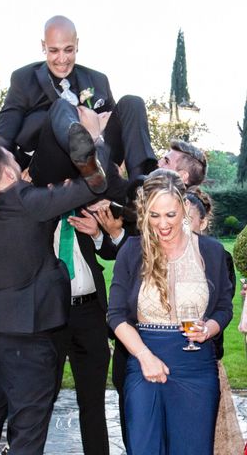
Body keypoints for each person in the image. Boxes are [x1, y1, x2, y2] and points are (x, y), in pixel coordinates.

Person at [0, 136, 111, 455]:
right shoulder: (28, 200)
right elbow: (94, 183)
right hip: (27, 337)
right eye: (15, 164)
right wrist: (98, 141)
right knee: (28, 432)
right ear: (11, 175)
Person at [107, 169, 233, 454]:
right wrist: (144, 357)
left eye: (170, 215)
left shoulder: (211, 252)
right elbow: (115, 315)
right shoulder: (131, 251)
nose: (162, 224)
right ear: (144, 213)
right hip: (144, 363)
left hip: (197, 368)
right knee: (144, 448)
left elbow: (224, 307)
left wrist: (209, 329)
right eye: (154, 215)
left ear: (184, 207)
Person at [0, 15, 156, 184]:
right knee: (62, 107)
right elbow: (4, 135)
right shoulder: (23, 79)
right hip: (46, 162)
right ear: (44, 46)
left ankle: (144, 183)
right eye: (54, 50)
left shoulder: (98, 80)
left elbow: (117, 125)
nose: (62, 59)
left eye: (68, 49)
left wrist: (100, 136)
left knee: (133, 102)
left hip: (98, 158)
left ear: (77, 45)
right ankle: (85, 156)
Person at [185, 187, 243, 455]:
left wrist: (205, 332)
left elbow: (223, 307)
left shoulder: (219, 256)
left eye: (187, 219)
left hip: (203, 356)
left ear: (203, 222)